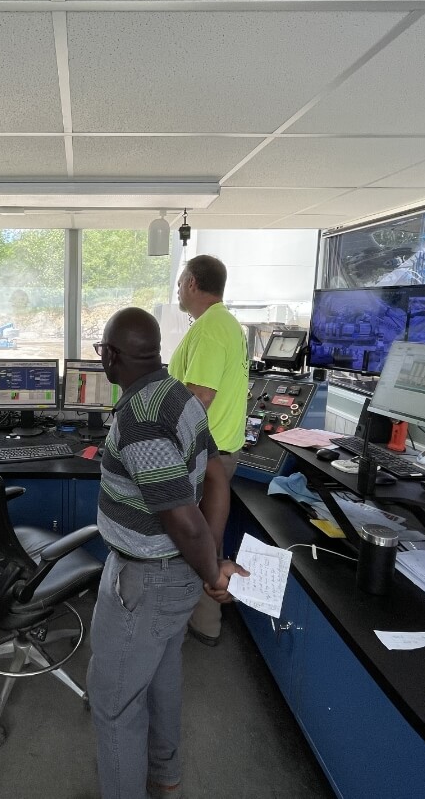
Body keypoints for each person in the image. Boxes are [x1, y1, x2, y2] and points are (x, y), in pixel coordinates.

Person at [87, 307, 248, 799]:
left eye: (101, 352)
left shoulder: (140, 420)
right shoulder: (179, 394)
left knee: (113, 702)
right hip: (173, 575)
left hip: (146, 580)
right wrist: (208, 560)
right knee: (162, 676)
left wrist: (212, 570)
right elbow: (216, 473)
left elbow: (180, 517)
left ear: (113, 357)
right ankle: (165, 777)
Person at [168, 254, 249, 647]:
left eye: (181, 281)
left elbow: (198, 397)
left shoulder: (213, 328)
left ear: (193, 283)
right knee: (203, 535)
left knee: (197, 537)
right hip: (211, 451)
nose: (178, 289)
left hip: (202, 456)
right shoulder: (221, 324)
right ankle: (202, 620)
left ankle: (203, 624)